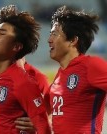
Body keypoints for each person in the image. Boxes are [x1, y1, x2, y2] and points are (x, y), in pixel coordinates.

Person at [15, 5, 107, 134]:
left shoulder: (91, 65)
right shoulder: (58, 79)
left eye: (55, 34)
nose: (49, 40)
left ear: (73, 40)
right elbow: (40, 114)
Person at [0, 5, 51, 134]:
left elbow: (44, 126)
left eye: (2, 33)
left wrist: (38, 128)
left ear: (16, 46)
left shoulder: (23, 83)